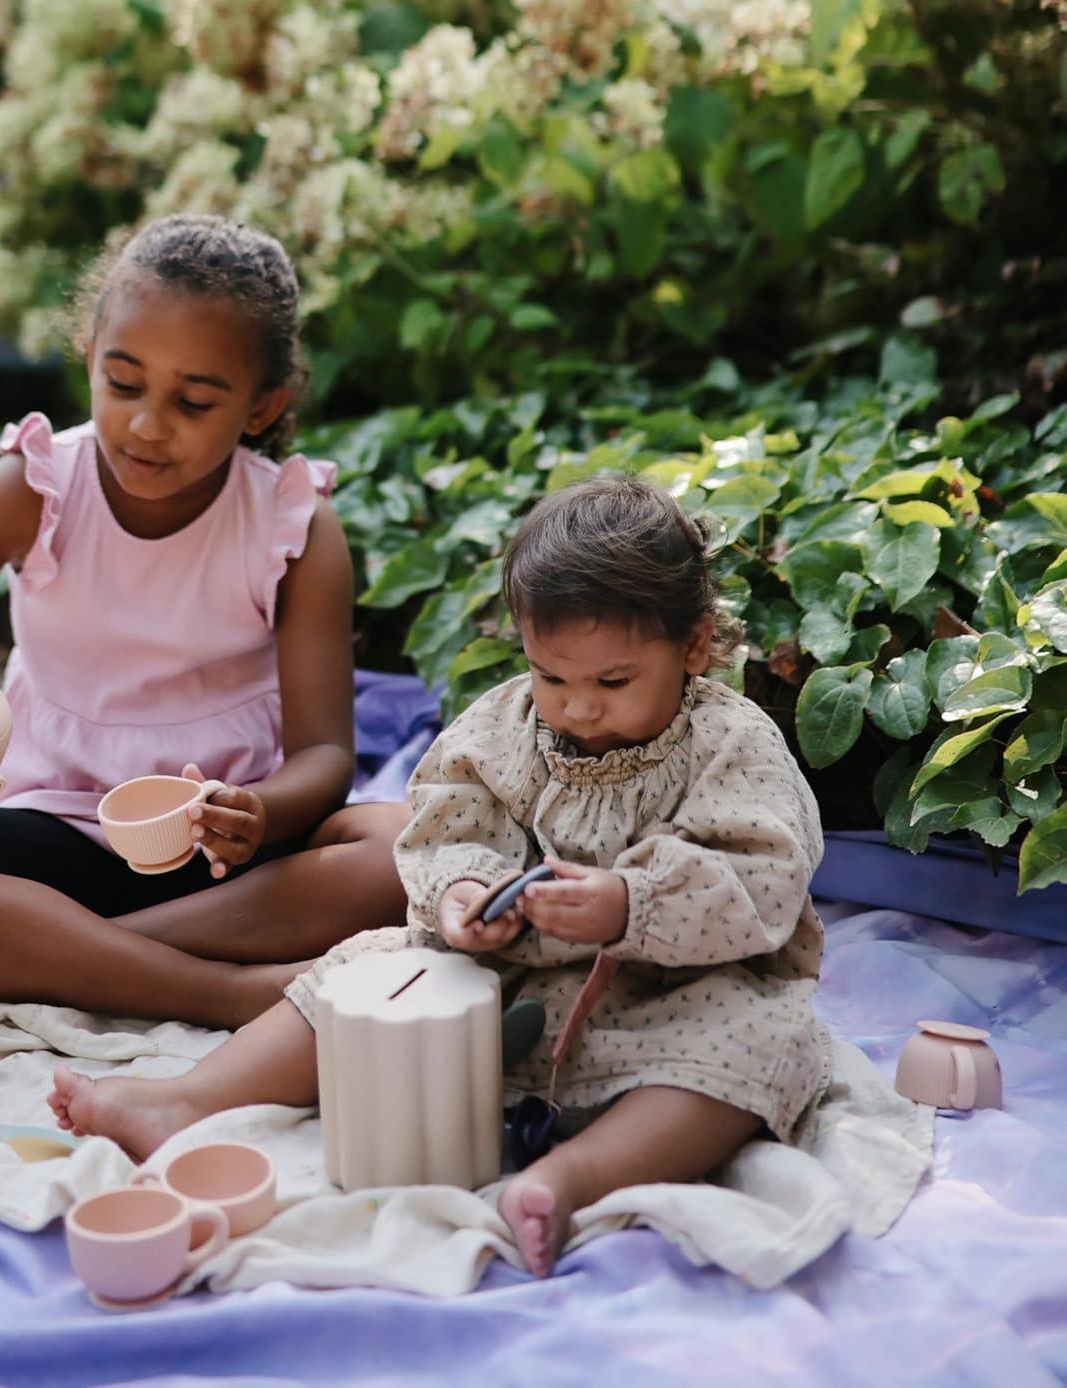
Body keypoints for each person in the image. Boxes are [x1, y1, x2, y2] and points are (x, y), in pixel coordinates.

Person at [48, 476, 831, 1279]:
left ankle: (570, 1179)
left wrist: (629, 902)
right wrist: (463, 896)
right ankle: (188, 1100)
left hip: (677, 994)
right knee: (362, 970)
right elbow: (444, 819)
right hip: (507, 982)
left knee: (764, 1045)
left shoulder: (730, 744)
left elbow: (763, 875)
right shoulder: (505, 727)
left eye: (612, 683)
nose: (578, 709)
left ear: (693, 647)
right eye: (550, 677)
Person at [0, 214, 409, 1030]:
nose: (148, 424)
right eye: (123, 384)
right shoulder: (34, 488)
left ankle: (48, 963)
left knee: (402, 851)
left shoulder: (292, 526)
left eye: (194, 401)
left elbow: (323, 755)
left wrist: (261, 813)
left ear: (262, 407)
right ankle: (222, 992)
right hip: (40, 834)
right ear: (90, 355)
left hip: (224, 854)